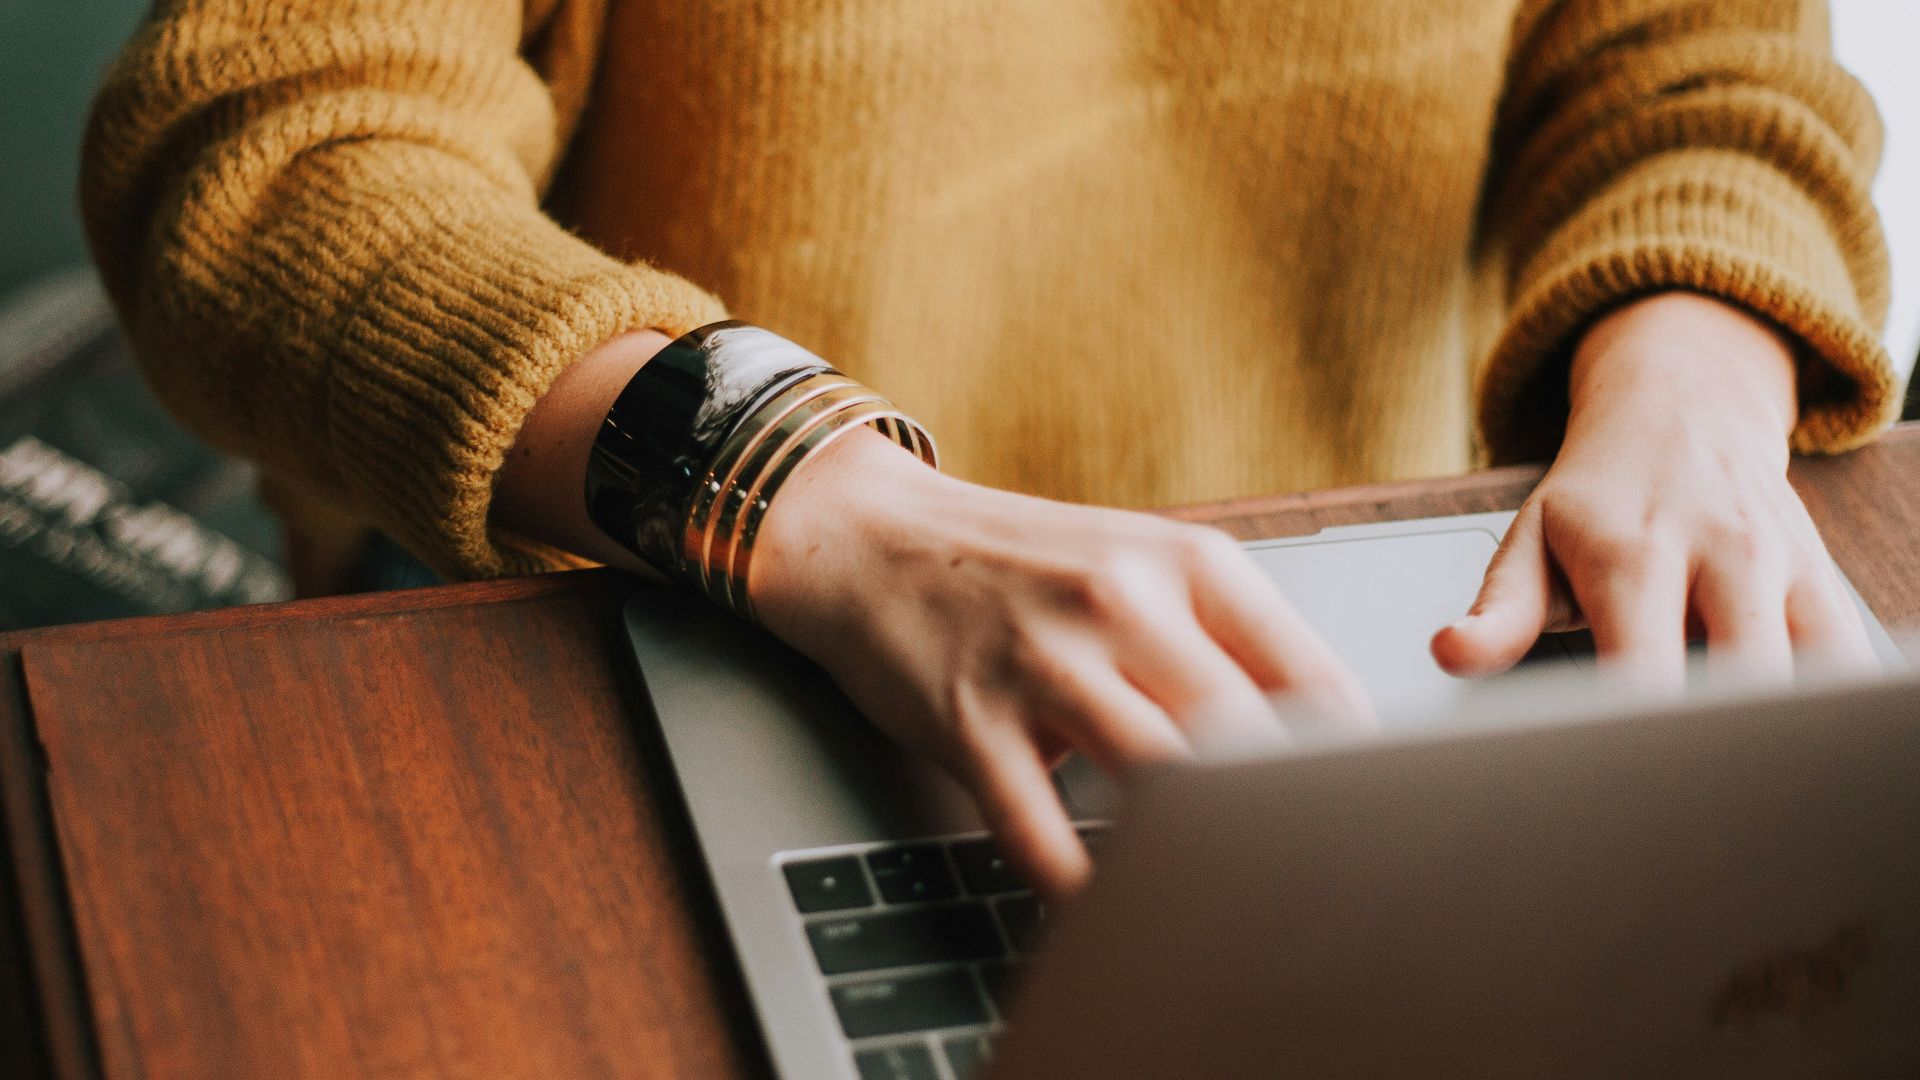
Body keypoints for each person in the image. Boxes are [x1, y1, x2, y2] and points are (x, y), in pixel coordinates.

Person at [81, 0, 1903, 896]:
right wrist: (812, 492)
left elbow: (1705, 63)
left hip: (1355, 651)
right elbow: (268, 144)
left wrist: (1695, 373)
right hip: (663, 604)